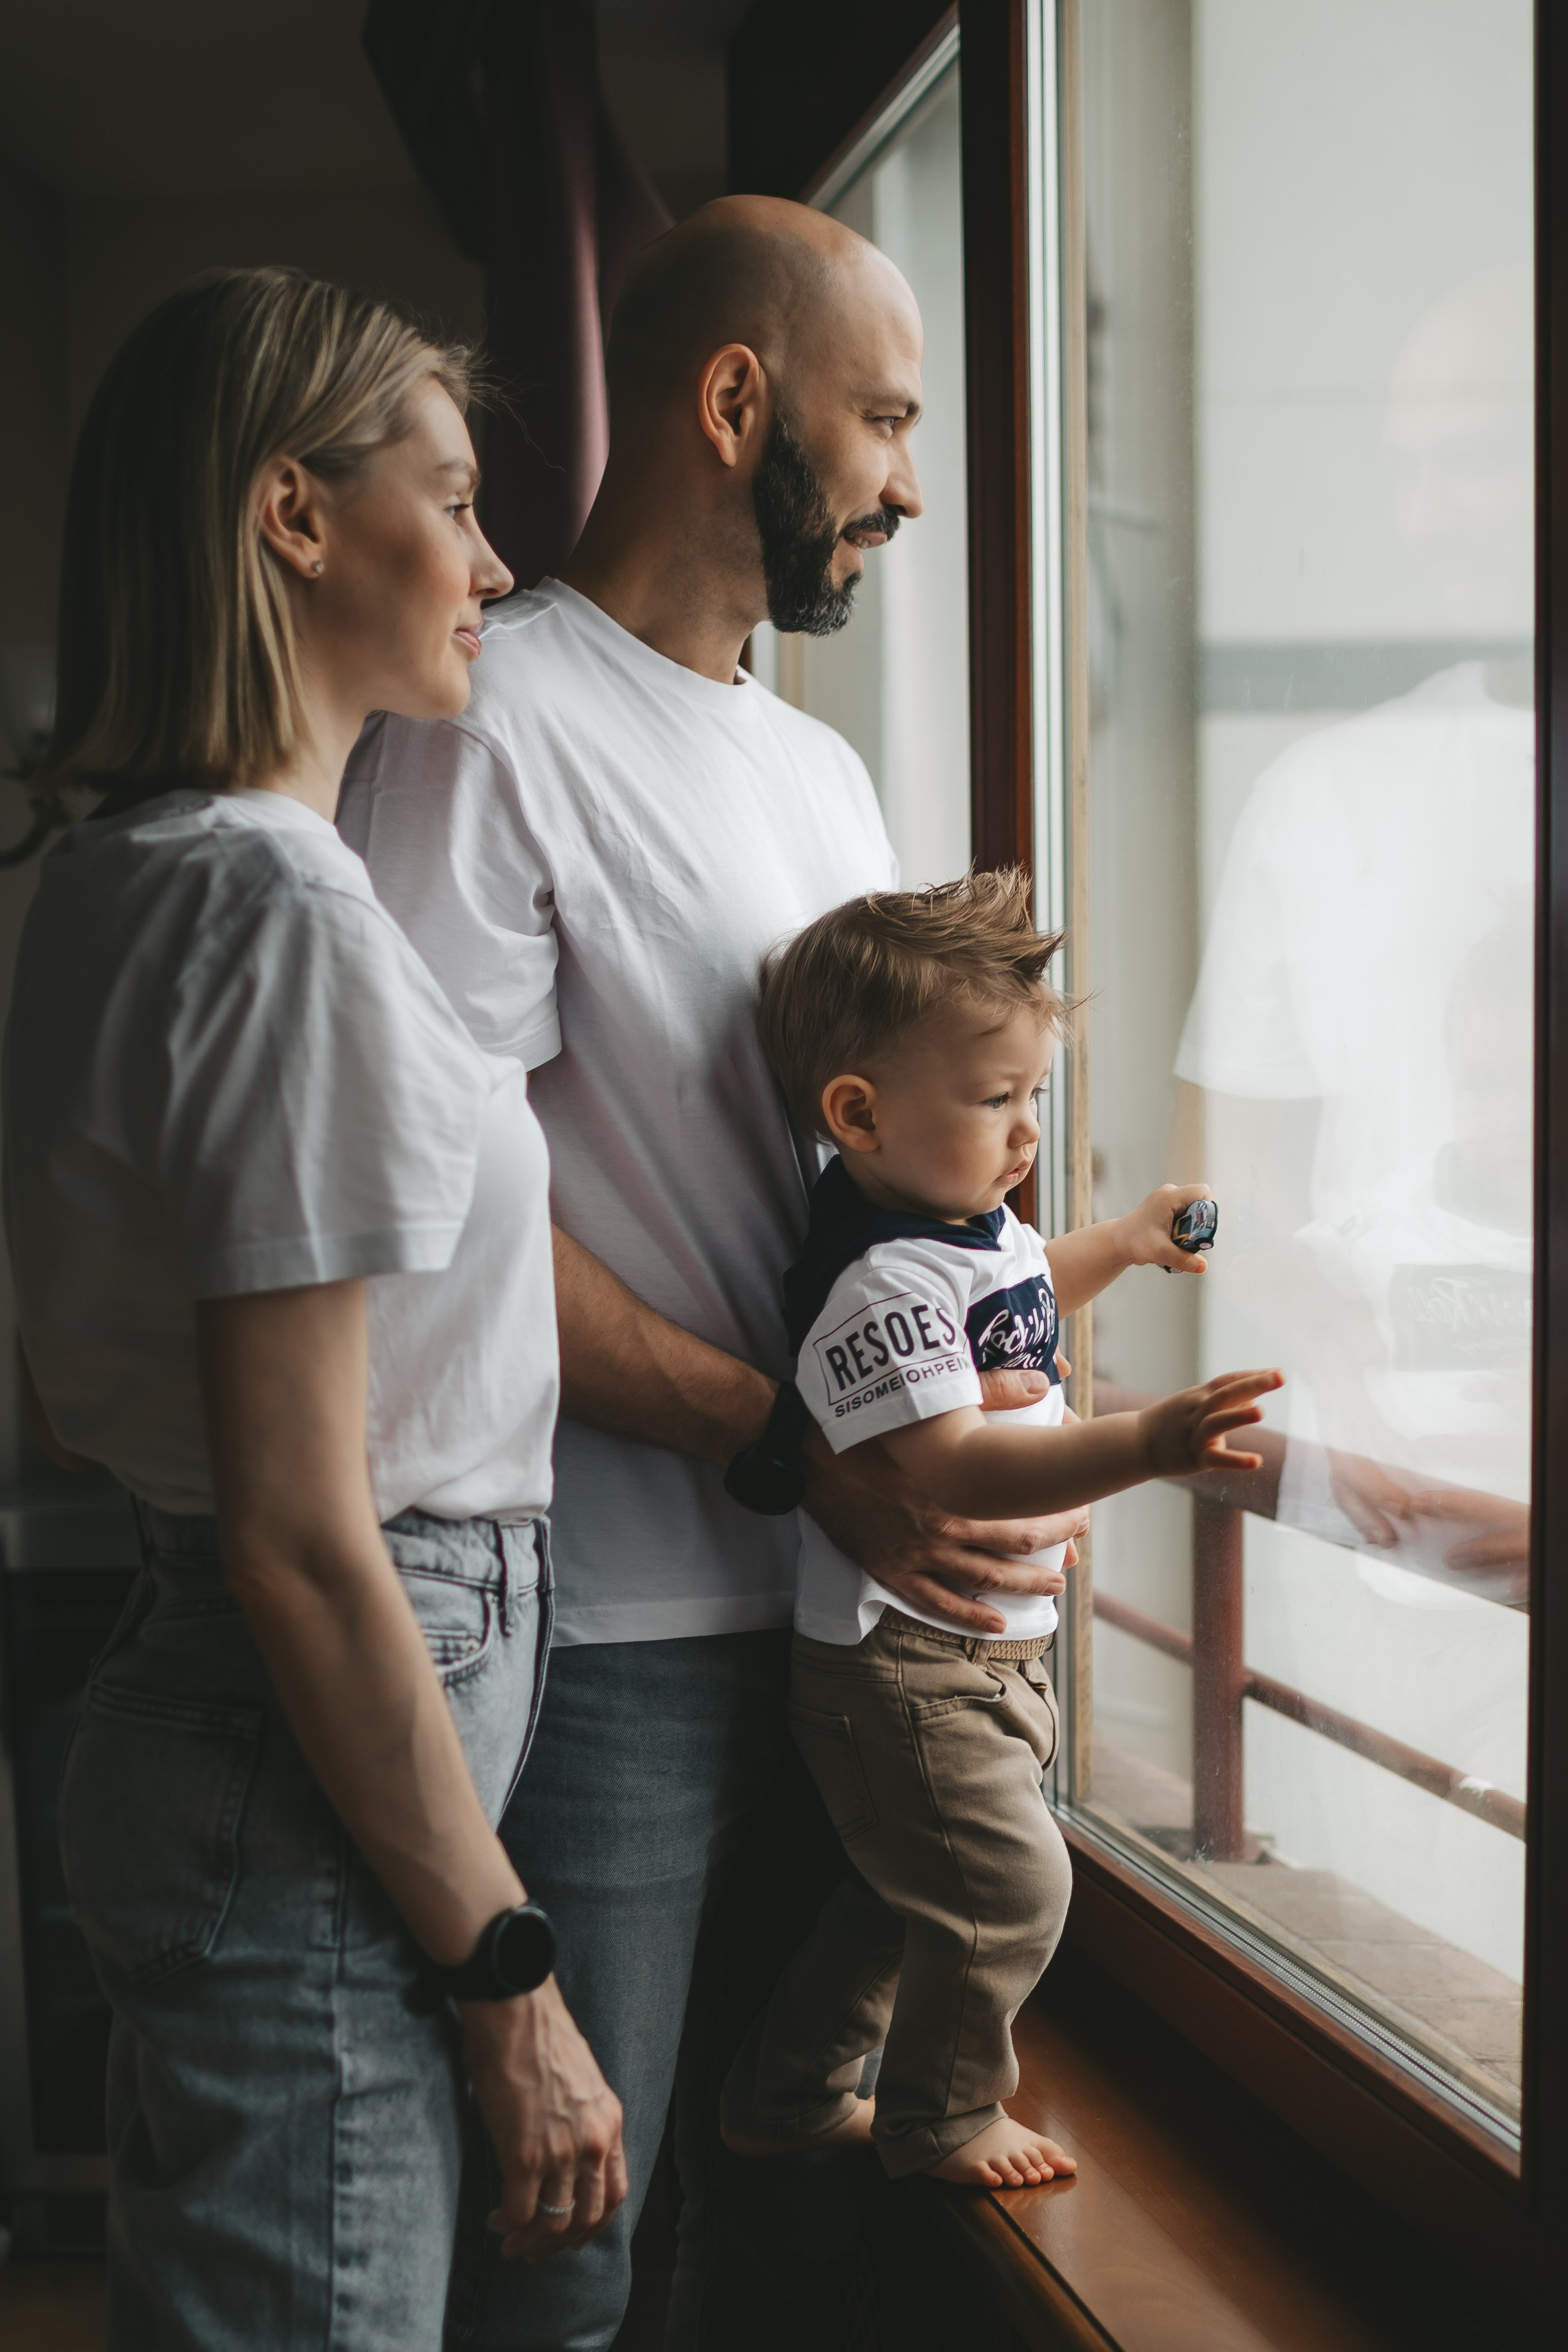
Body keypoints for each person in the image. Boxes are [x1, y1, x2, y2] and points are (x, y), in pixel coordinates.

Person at [337, 196, 1084, 2347]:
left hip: (869, 1641)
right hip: (618, 1642)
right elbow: (435, 1221)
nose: (910, 484)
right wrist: (791, 1449)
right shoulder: (488, 721)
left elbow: (884, 1194)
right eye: (887, 421)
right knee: (566, 2261)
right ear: (737, 400)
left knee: (791, 2232)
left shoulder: (822, 770)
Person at [3, 266, 624, 2350]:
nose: (494, 564)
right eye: (450, 502)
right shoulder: (273, 912)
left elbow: (89, 1404)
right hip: (308, 1761)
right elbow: (292, 1534)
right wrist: (507, 1980)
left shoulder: (126, 876)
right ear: (293, 514)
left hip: (247, 1733)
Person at [717, 872, 1280, 2183]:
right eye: (993, 1100)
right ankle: (944, 2116)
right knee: (1013, 1895)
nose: (1026, 1130)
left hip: (973, 1654)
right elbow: (954, 1469)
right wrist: (1144, 1443)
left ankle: (790, 2092)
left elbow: (1026, 1292)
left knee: (902, 1895)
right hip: (904, 1664)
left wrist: (1120, 1242)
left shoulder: (965, 1235)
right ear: (857, 1113)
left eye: (1032, 1093)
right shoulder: (880, 1282)